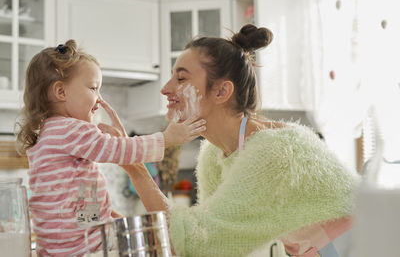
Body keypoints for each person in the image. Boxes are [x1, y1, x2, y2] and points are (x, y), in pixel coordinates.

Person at [104, 24, 359, 257]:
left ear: (222, 91)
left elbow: (199, 240)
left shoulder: (273, 150)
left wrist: (133, 164)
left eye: (181, 78)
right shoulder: (213, 155)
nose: (165, 88)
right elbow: (206, 239)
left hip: (365, 242)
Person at [15, 40, 206, 257]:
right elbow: (116, 149)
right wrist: (167, 138)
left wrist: (108, 217)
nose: (99, 99)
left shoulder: (47, 134)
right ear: (60, 91)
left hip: (56, 249)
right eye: (93, 88)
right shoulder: (70, 129)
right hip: (84, 247)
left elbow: (77, 202)